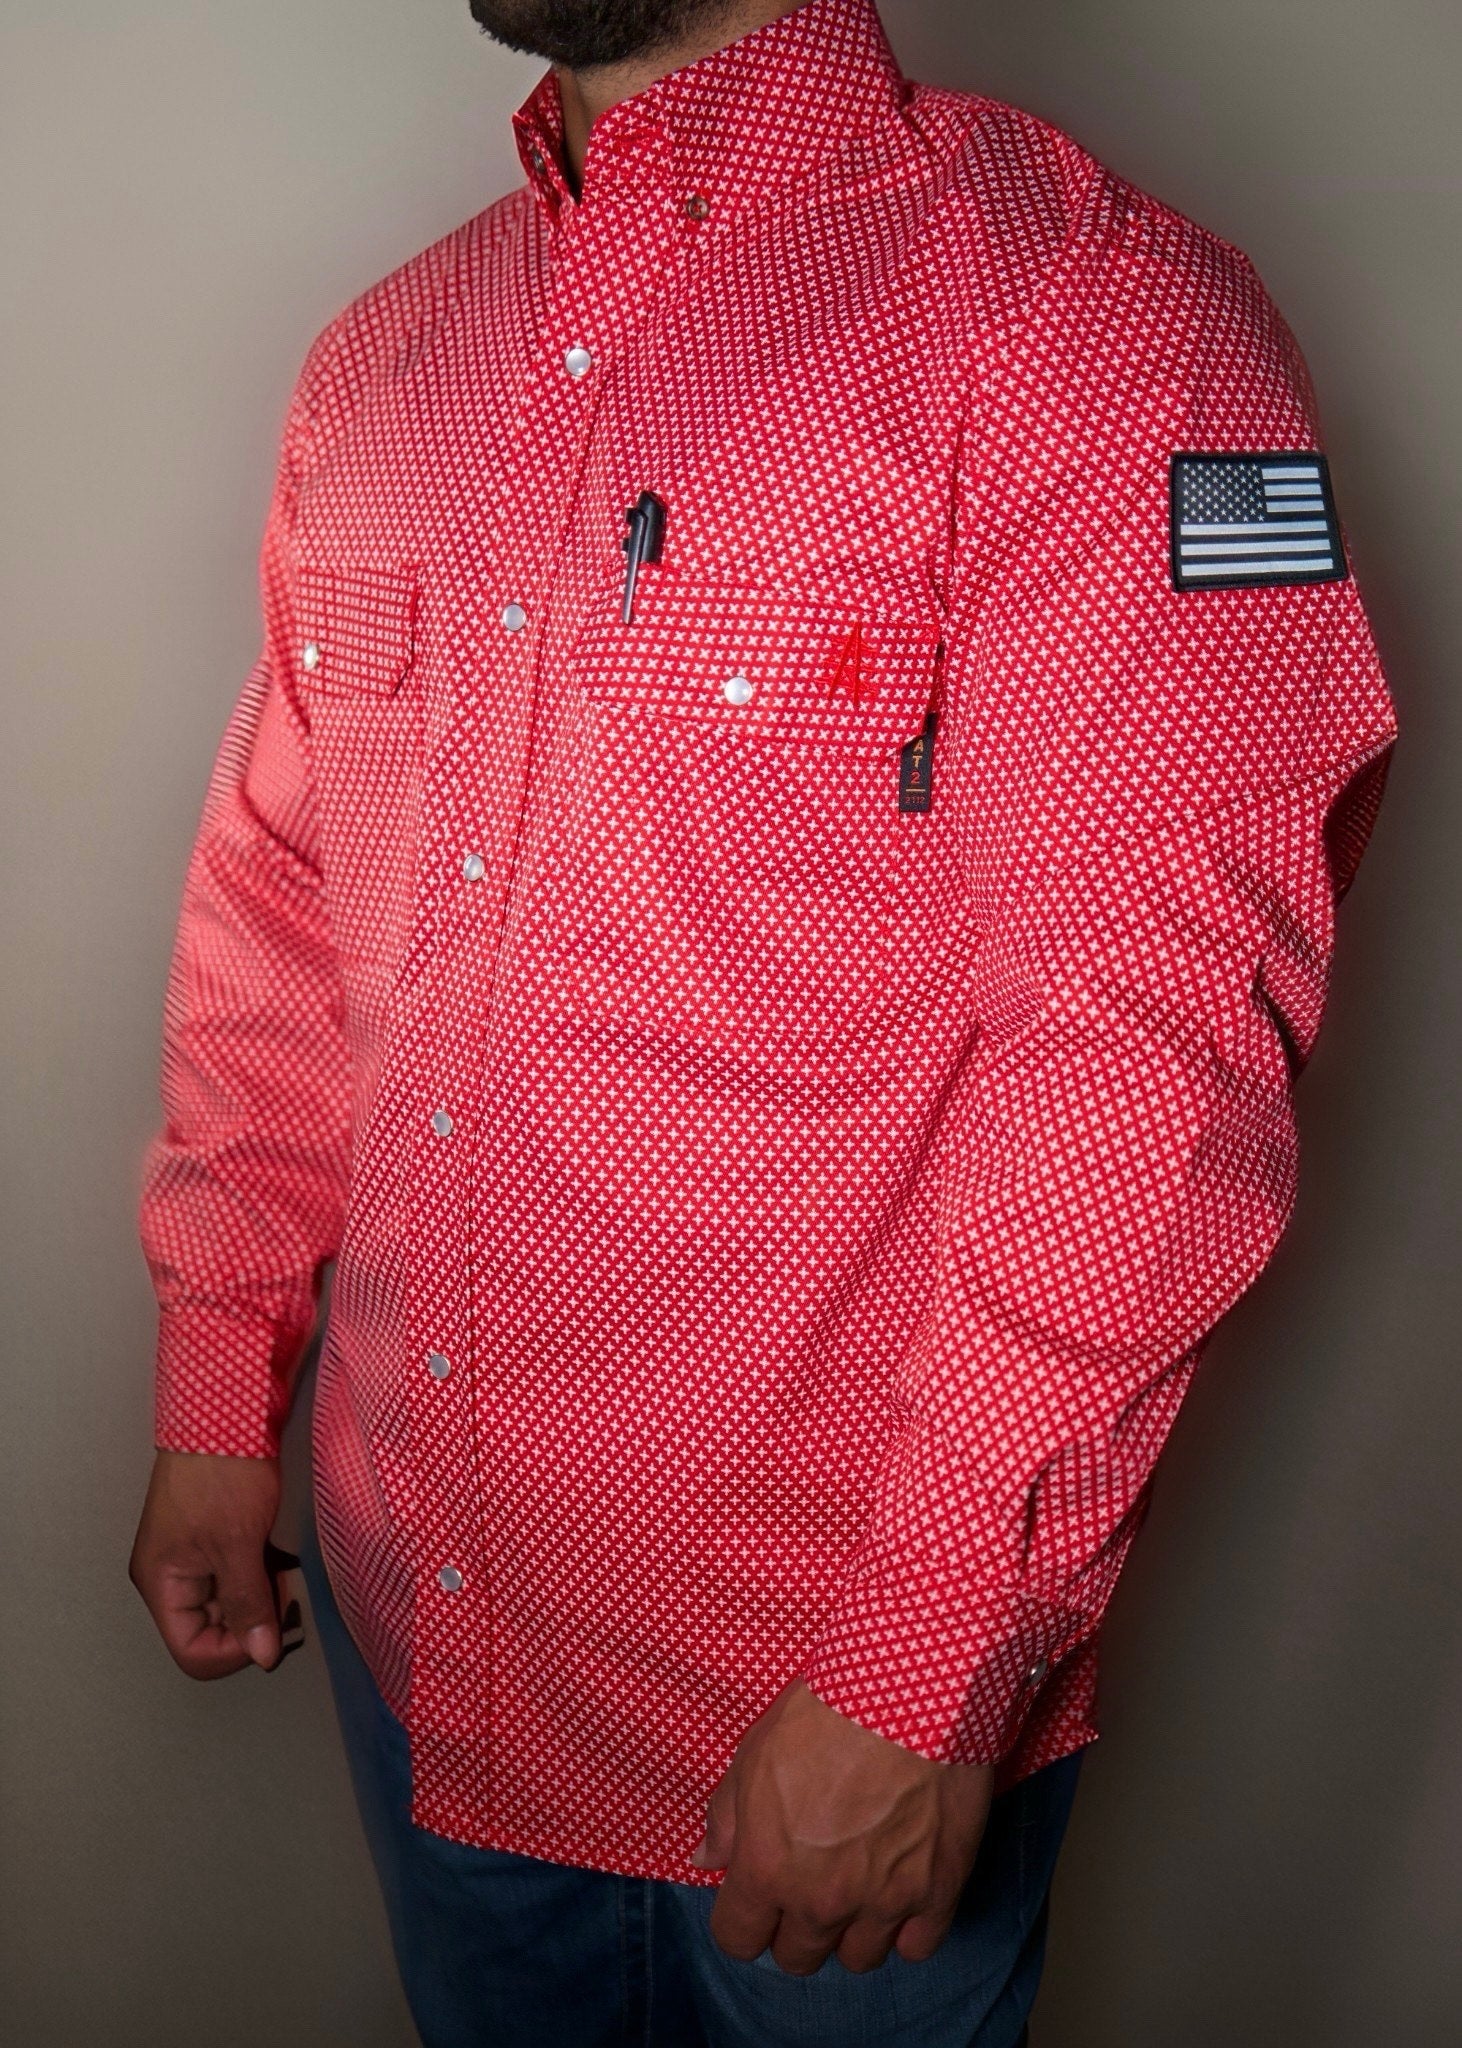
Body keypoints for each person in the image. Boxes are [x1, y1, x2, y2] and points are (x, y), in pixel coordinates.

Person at [127, 1, 1397, 2042]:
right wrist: (218, 1387)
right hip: (413, 1621)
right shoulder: (380, 362)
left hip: (821, 1719)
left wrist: (920, 1670)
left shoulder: (1094, 317)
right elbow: (278, 917)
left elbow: (1148, 1056)